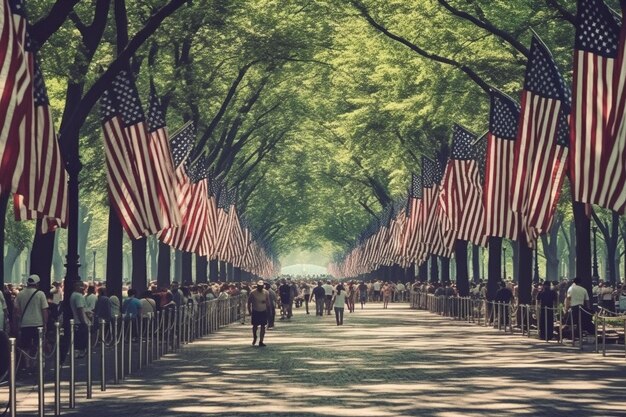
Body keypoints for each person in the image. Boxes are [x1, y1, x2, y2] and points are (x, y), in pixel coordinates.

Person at [14, 275, 49, 364]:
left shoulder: (20, 294)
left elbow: (17, 311)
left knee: (26, 345)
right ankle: (41, 362)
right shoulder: (40, 294)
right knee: (39, 344)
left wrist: (18, 323)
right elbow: (44, 310)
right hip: (38, 323)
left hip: (25, 324)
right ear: (37, 284)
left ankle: (27, 362)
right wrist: (45, 323)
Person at [69, 280, 91, 357]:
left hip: (76, 321)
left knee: (77, 338)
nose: (83, 288)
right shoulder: (78, 296)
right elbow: (80, 309)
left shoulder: (73, 295)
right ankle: (79, 353)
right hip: (81, 321)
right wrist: (84, 321)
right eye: (81, 286)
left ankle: (76, 352)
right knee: (81, 339)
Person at [247, 280, 270, 347]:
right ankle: (255, 336)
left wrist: (269, 310)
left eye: (261, 286)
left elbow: (268, 302)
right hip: (255, 311)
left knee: (263, 326)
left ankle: (261, 341)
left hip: (263, 311)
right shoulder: (252, 292)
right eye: (259, 286)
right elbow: (249, 302)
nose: (260, 287)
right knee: (255, 326)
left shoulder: (266, 292)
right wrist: (250, 311)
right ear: (257, 286)